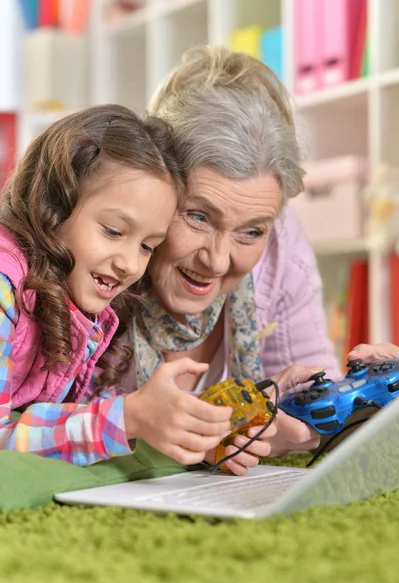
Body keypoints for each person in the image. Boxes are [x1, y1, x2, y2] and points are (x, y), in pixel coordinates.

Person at [122, 46, 343, 475]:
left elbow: (314, 399)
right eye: (199, 216)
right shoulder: (107, 245)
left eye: (251, 231)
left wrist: (350, 399)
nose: (218, 261)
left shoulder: (280, 247)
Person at [0, 104, 235, 466]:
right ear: (55, 206)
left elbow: (71, 424)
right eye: (113, 231)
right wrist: (128, 417)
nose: (129, 264)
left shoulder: (87, 306)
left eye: (147, 246)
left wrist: (185, 433)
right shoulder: (4, 284)